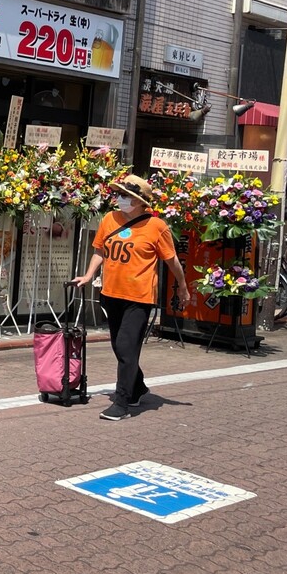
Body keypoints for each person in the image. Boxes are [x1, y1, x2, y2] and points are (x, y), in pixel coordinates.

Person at [71, 174, 189, 421]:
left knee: (126, 347)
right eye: (120, 194)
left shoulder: (157, 227)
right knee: (119, 346)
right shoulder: (109, 219)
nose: (120, 199)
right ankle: (137, 388)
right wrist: (88, 275)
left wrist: (182, 285)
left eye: (126, 196)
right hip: (111, 293)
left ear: (140, 202)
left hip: (139, 296)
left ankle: (122, 402)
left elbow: (172, 260)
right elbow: (100, 250)